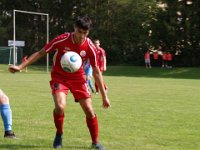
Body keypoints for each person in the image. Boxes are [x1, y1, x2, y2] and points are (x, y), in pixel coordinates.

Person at [8, 15, 110, 150]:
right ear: (74, 28)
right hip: (59, 77)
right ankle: (59, 133)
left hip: (78, 78)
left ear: (88, 32)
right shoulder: (62, 39)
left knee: (90, 111)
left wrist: (104, 96)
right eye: (79, 32)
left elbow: (96, 71)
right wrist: (20, 67)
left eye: (85, 33)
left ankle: (95, 142)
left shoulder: (90, 46)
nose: (81, 36)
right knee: (60, 107)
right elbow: (40, 53)